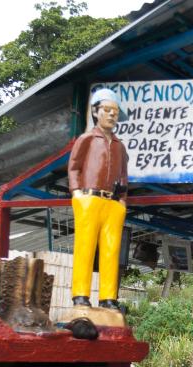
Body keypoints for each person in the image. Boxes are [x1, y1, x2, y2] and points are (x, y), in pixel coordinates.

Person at [67, 87, 129, 313]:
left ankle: (108, 297)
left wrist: (122, 201)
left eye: (115, 111)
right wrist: (76, 193)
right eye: (107, 110)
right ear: (96, 112)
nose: (112, 115)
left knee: (111, 250)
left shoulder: (120, 146)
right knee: (85, 246)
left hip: (113, 203)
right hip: (89, 198)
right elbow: (73, 167)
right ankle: (80, 295)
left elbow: (123, 175)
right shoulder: (86, 139)